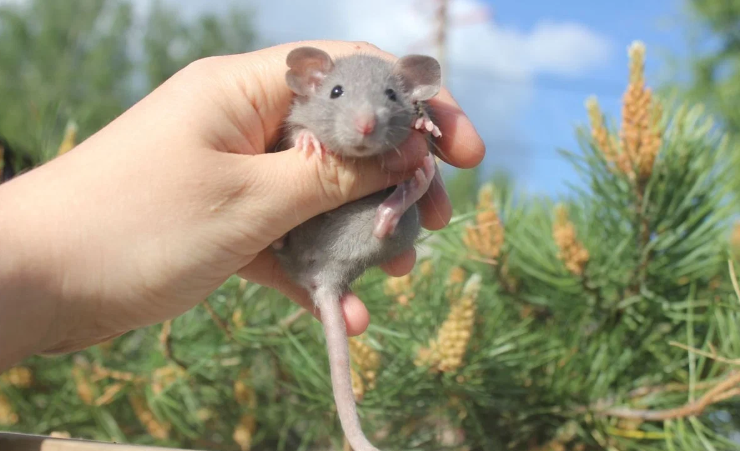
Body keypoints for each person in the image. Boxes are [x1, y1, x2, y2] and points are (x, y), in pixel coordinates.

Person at [0, 40, 485, 372]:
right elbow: (298, 127)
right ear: (309, 80)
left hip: (345, 240)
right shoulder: (303, 119)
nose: (365, 119)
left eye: (386, 98)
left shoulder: (408, 131)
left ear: (413, 91)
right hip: (304, 244)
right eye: (336, 92)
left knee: (409, 217)